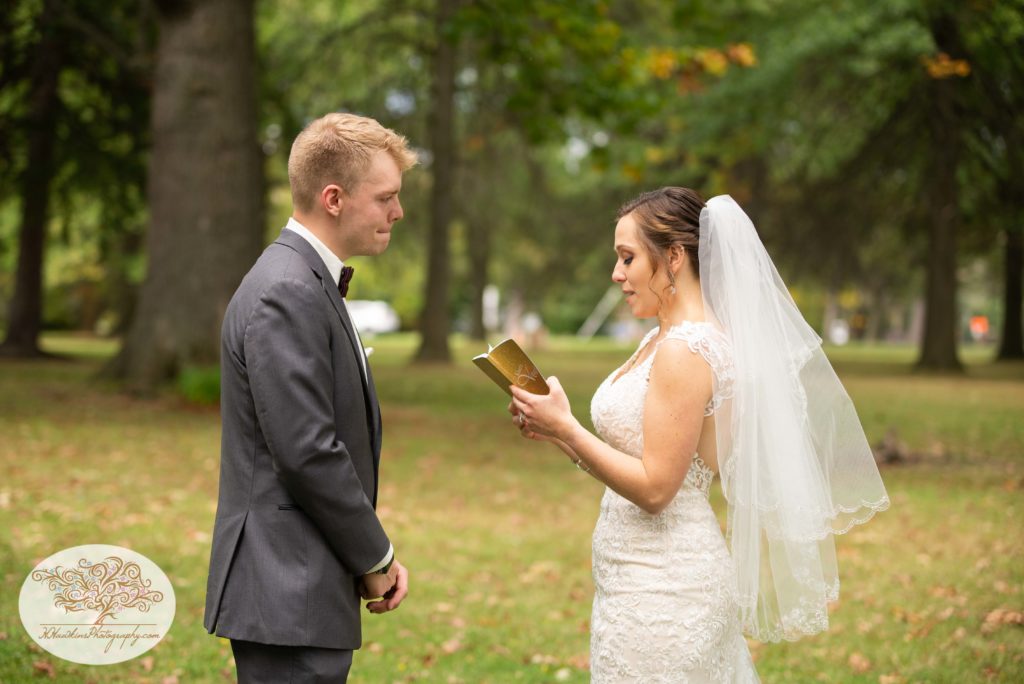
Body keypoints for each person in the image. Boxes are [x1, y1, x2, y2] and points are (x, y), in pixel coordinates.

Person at [509, 188, 889, 682]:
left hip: (666, 588)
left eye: (628, 258)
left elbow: (657, 488)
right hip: (635, 577)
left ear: (673, 256)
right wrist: (552, 429)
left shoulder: (686, 349)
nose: (616, 274)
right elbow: (641, 454)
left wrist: (569, 428)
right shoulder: (662, 338)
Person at [203, 112, 417, 683]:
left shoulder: (305, 279)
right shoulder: (288, 290)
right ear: (333, 198)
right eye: (386, 197)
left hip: (300, 581)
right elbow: (307, 451)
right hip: (285, 584)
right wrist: (375, 556)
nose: (397, 212)